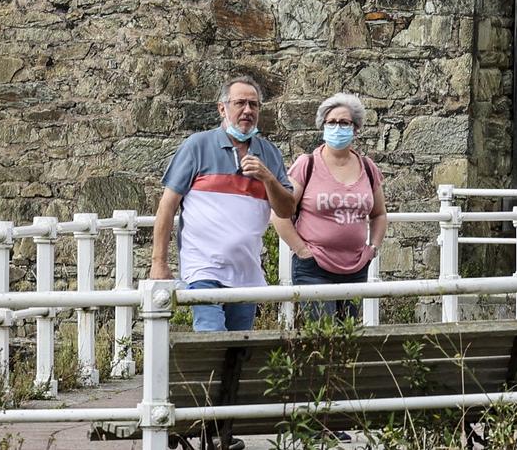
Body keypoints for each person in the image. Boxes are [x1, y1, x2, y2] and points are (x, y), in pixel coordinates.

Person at [149, 75, 295, 332]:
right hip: (203, 268)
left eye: (254, 105)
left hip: (246, 272)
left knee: (238, 349)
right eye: (240, 103)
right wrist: (159, 262)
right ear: (222, 108)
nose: (248, 111)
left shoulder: (269, 153)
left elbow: (286, 210)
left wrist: (268, 178)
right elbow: (167, 206)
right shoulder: (198, 145)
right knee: (211, 334)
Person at [277, 92, 386, 321]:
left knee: (349, 339)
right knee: (321, 337)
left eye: (344, 122)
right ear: (323, 126)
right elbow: (280, 214)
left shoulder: (367, 167)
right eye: (332, 122)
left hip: (356, 268)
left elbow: (379, 214)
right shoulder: (306, 165)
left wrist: (373, 248)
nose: (338, 127)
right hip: (314, 267)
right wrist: (302, 251)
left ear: (355, 128)